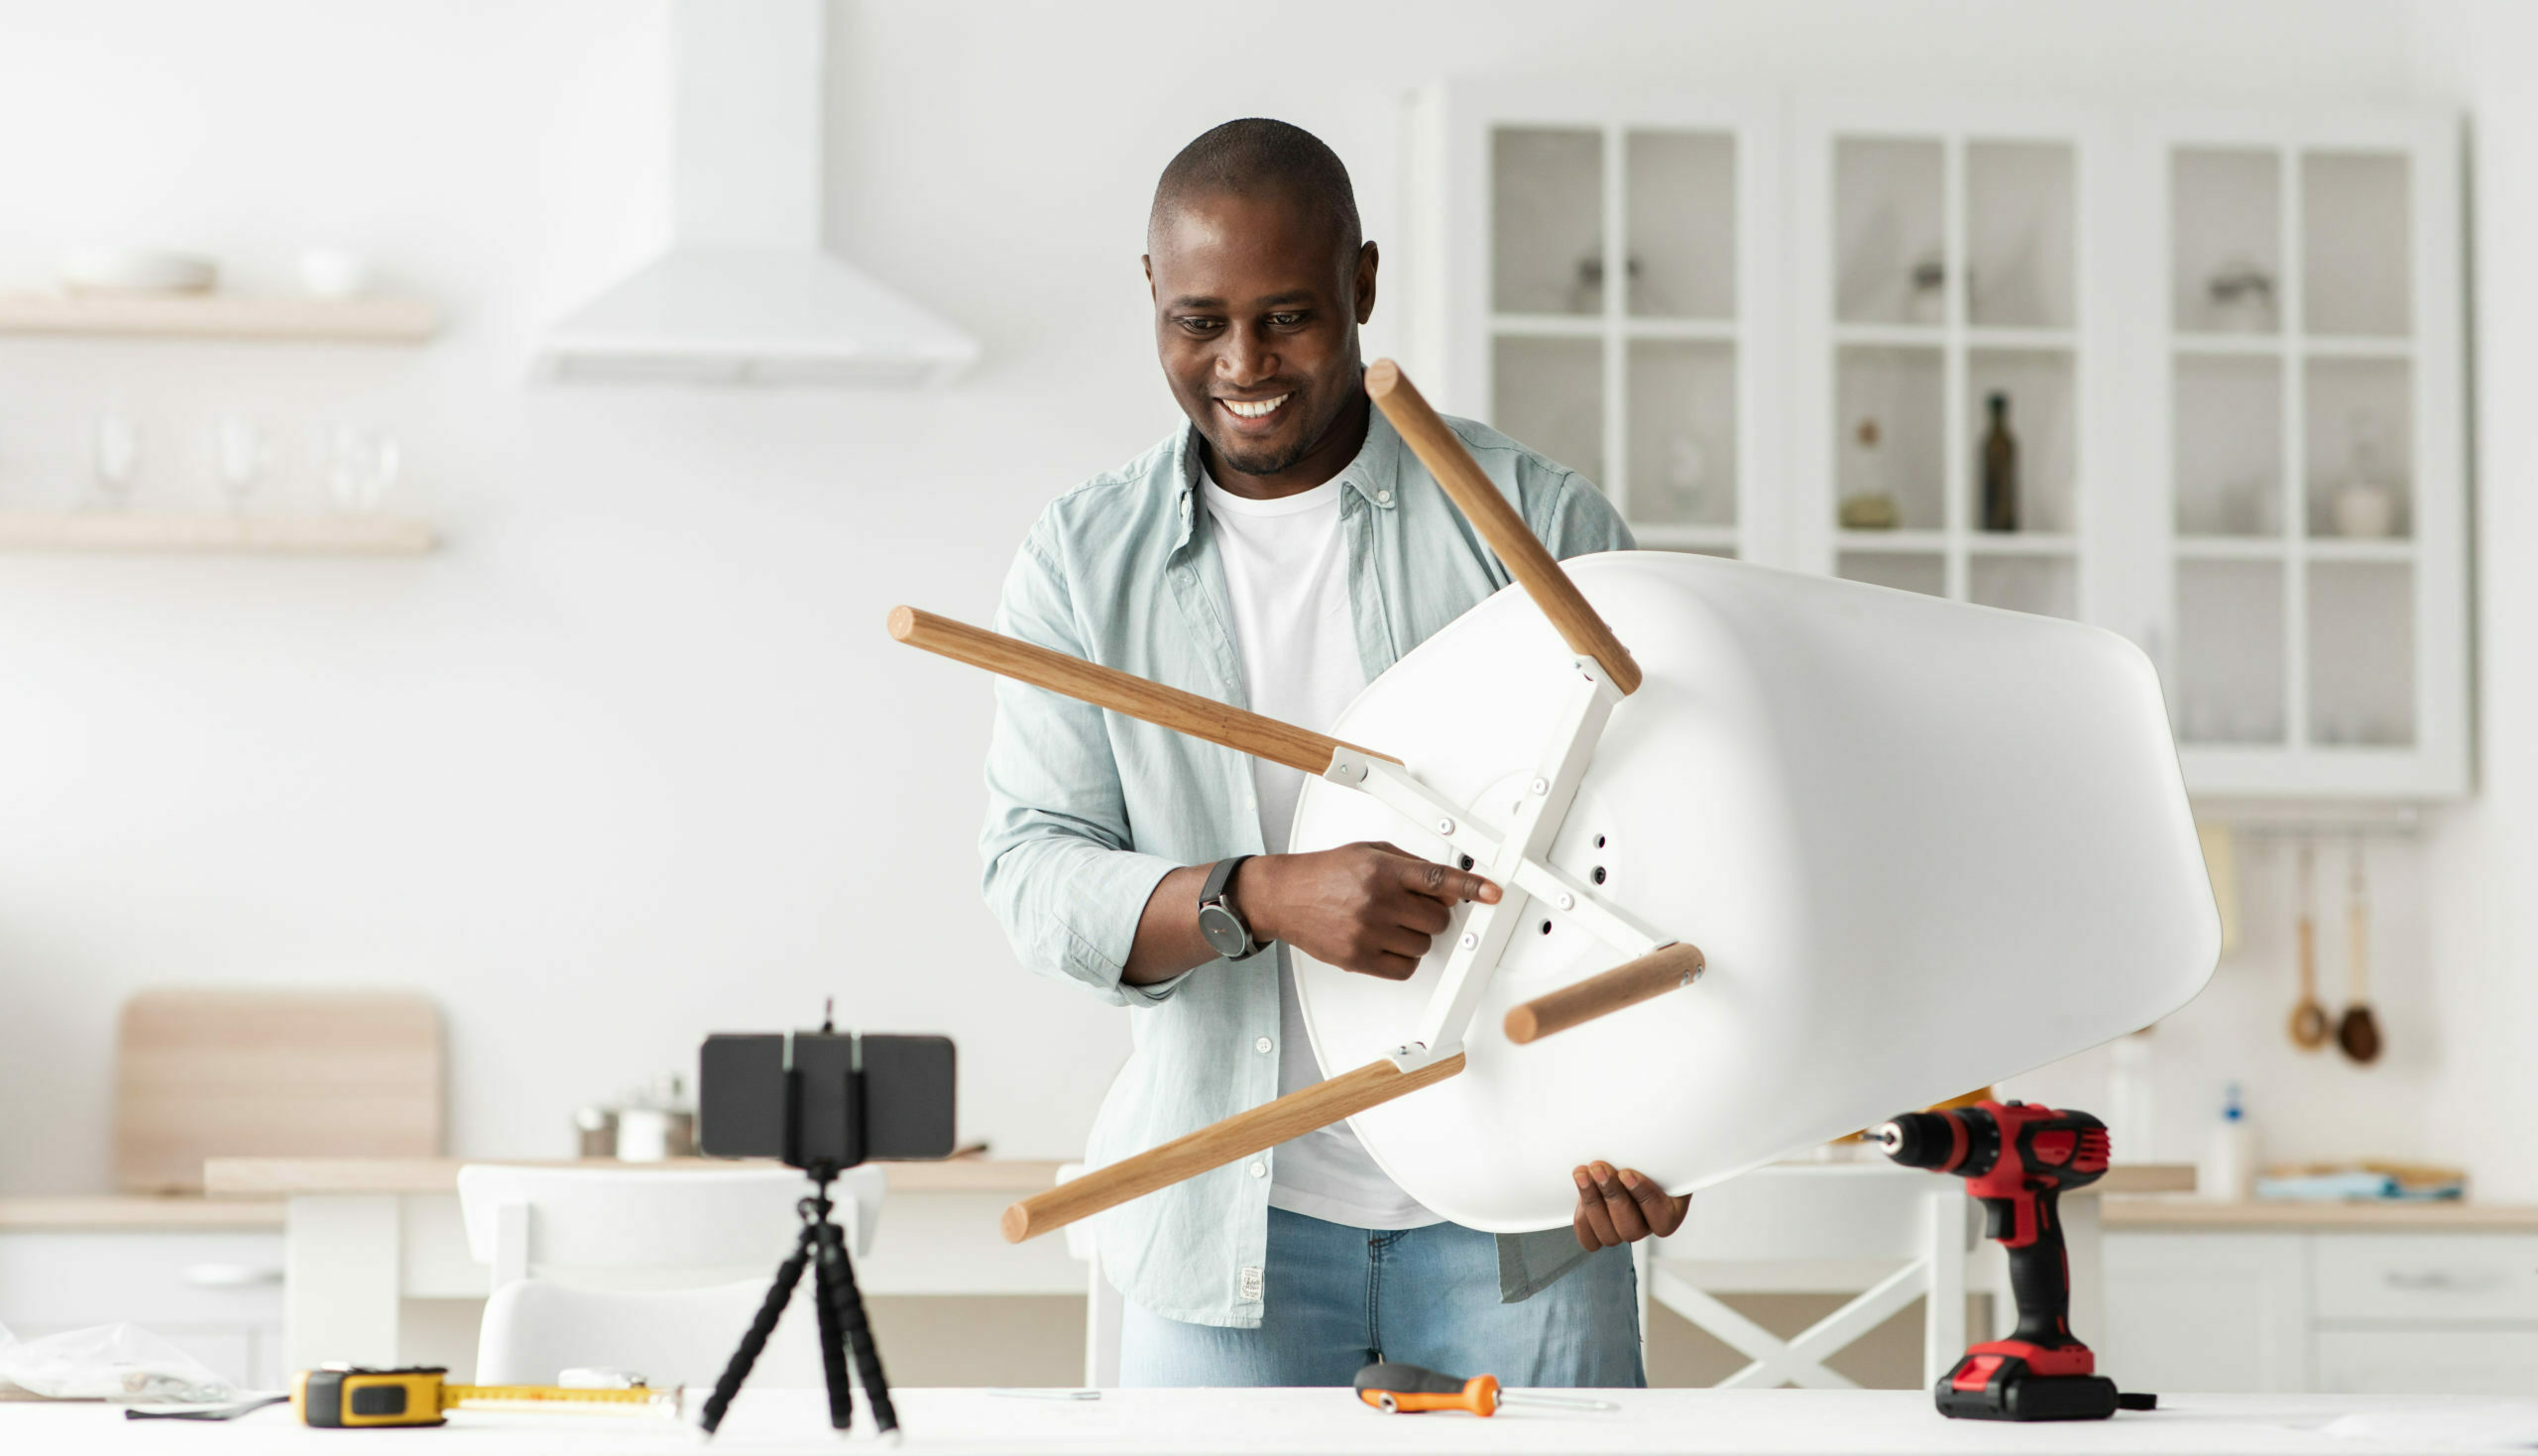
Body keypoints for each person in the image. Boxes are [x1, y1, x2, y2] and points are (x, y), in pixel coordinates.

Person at [980, 118, 1685, 1389]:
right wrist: (1255, 895)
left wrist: (1661, 1127)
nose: (1242, 363)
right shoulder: (1081, 563)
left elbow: (1666, 873)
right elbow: (1032, 877)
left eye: (1288, 316)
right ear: (1150, 293)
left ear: (1364, 282)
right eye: (1198, 321)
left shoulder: (1538, 527)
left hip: (1519, 1223)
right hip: (1222, 1226)